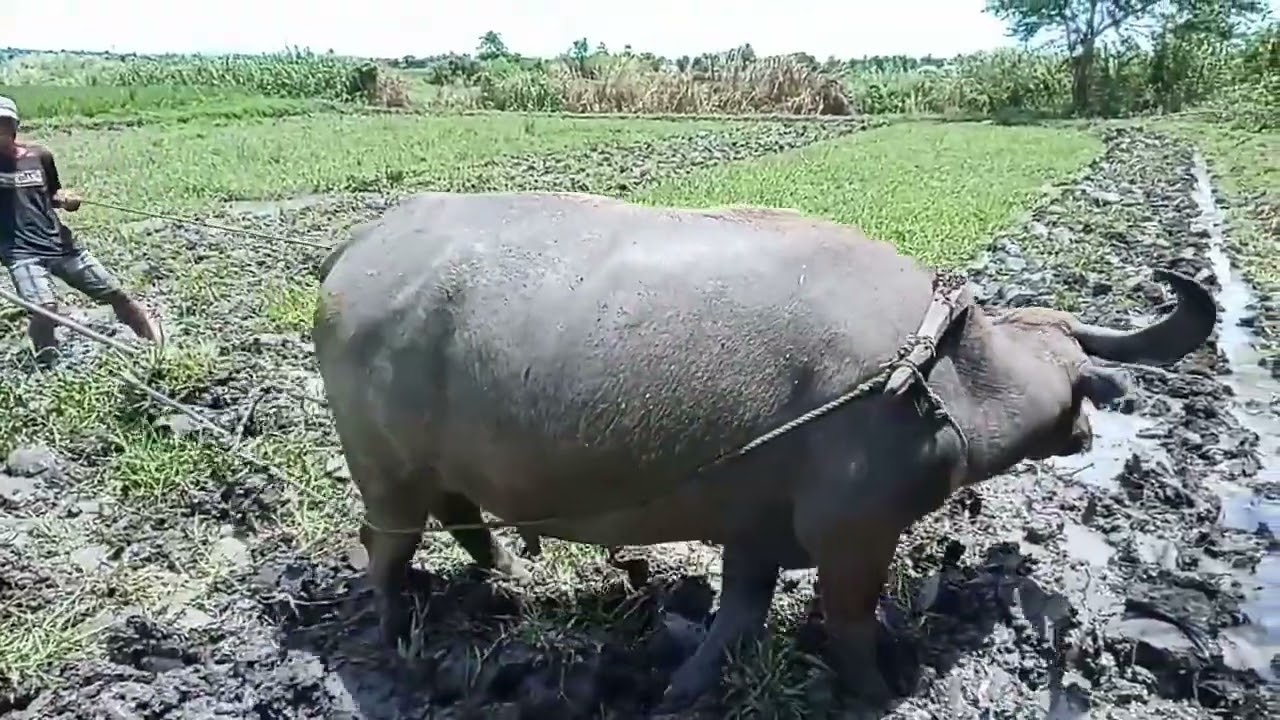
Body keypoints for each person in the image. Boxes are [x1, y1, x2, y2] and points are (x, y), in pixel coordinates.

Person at [0, 95, 160, 368]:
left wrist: (66, 198)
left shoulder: (40, 156)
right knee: (44, 309)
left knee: (115, 294)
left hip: (61, 245)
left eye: (4, 124)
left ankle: (155, 345)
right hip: (20, 252)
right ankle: (46, 362)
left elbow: (53, 194)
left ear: (14, 127)